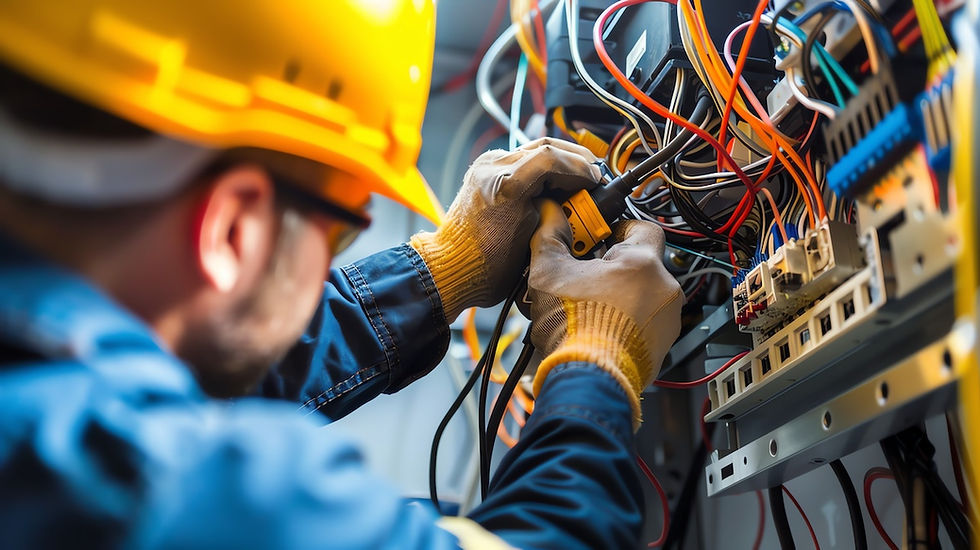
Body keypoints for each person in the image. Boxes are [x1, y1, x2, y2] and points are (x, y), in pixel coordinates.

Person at [0, 1, 683, 548]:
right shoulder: (151, 489)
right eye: (345, 226)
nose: (338, 250)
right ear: (233, 227)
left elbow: (209, 371)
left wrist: (445, 268)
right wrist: (597, 359)